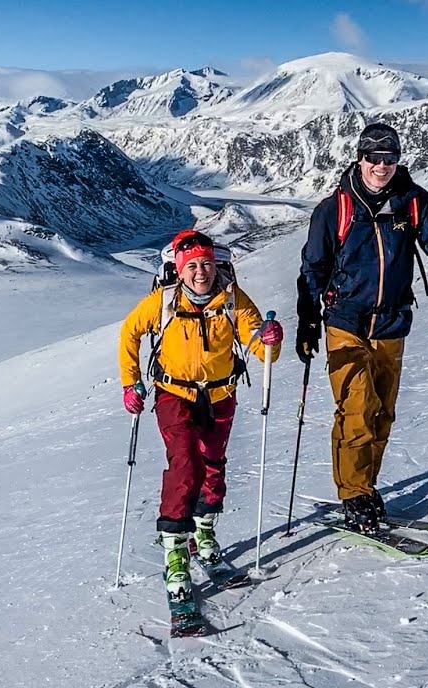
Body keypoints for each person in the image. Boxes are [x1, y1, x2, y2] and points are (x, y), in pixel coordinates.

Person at [294, 122, 428, 534]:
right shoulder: (334, 209)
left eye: (389, 158)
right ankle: (354, 494)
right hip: (346, 323)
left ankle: (367, 485)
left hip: (392, 322)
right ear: (360, 158)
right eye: (374, 158)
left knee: (382, 414)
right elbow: (313, 268)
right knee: (355, 411)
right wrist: (307, 319)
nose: (381, 166)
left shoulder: (412, 202)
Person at [119, 229, 283, 602]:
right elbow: (130, 332)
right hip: (174, 394)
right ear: (178, 270)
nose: (200, 272)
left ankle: (203, 534)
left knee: (213, 465)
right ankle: (175, 549)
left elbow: (260, 345)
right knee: (185, 464)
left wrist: (271, 339)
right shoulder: (162, 301)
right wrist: (130, 383)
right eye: (191, 265)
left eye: (206, 264)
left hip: (221, 394)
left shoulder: (232, 299)